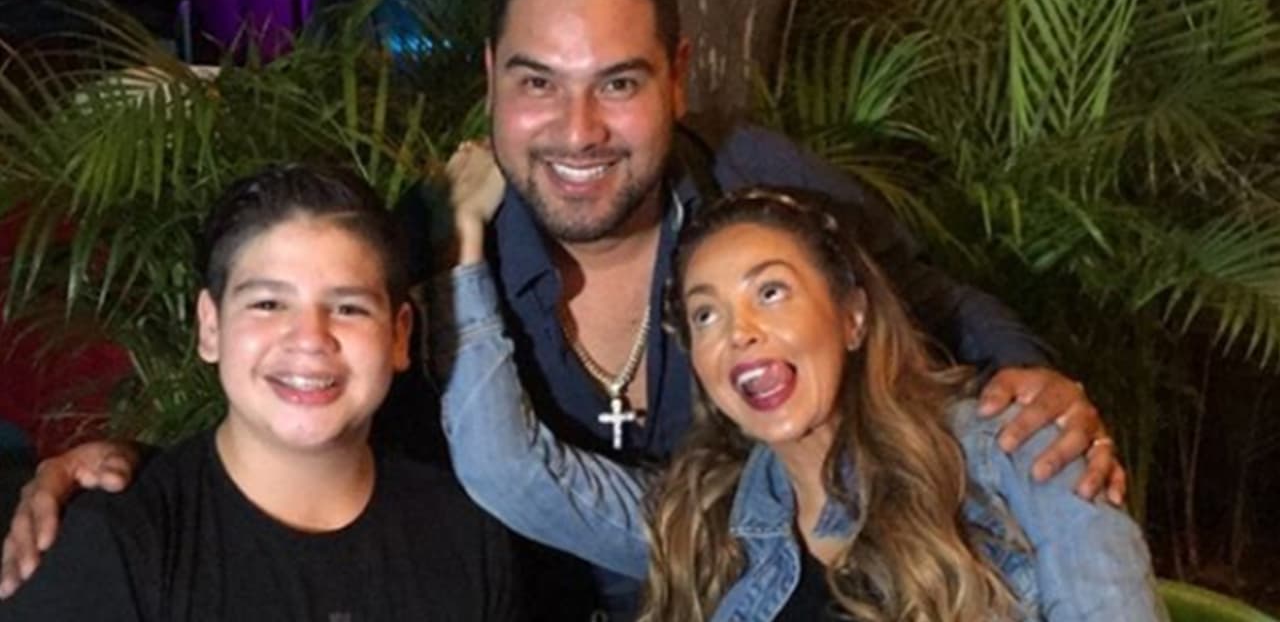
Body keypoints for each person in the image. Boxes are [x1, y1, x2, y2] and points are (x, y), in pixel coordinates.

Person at [2, 0, 1122, 619]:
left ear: (676, 75)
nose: (577, 130)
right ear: (492, 75)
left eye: (618, 83)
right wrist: (122, 480)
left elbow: (927, 300)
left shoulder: (761, 191)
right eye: (538, 81)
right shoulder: (435, 244)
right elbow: (307, 391)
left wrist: (1032, 384)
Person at [438, 179, 1164, 621]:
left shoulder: (1019, 450)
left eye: (771, 292)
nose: (740, 333)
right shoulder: (713, 515)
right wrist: (464, 244)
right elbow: (506, 470)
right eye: (706, 314)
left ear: (852, 316)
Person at [0, 165, 520, 620]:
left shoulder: (465, 535)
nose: (310, 338)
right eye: (268, 304)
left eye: (348, 308)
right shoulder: (117, 544)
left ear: (400, 335)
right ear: (210, 326)